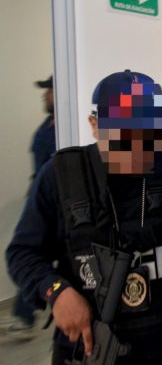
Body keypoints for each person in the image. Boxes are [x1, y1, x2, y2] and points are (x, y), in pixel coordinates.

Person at [5, 70, 162, 364]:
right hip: (92, 348)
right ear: (94, 124)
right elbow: (22, 252)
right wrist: (57, 291)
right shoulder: (63, 176)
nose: (137, 143)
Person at [0, 75, 57, 340]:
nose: (44, 95)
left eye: (49, 90)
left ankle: (24, 317)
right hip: (38, 199)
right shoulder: (45, 127)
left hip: (53, 203)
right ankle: (24, 315)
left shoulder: (61, 129)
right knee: (29, 253)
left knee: (39, 253)